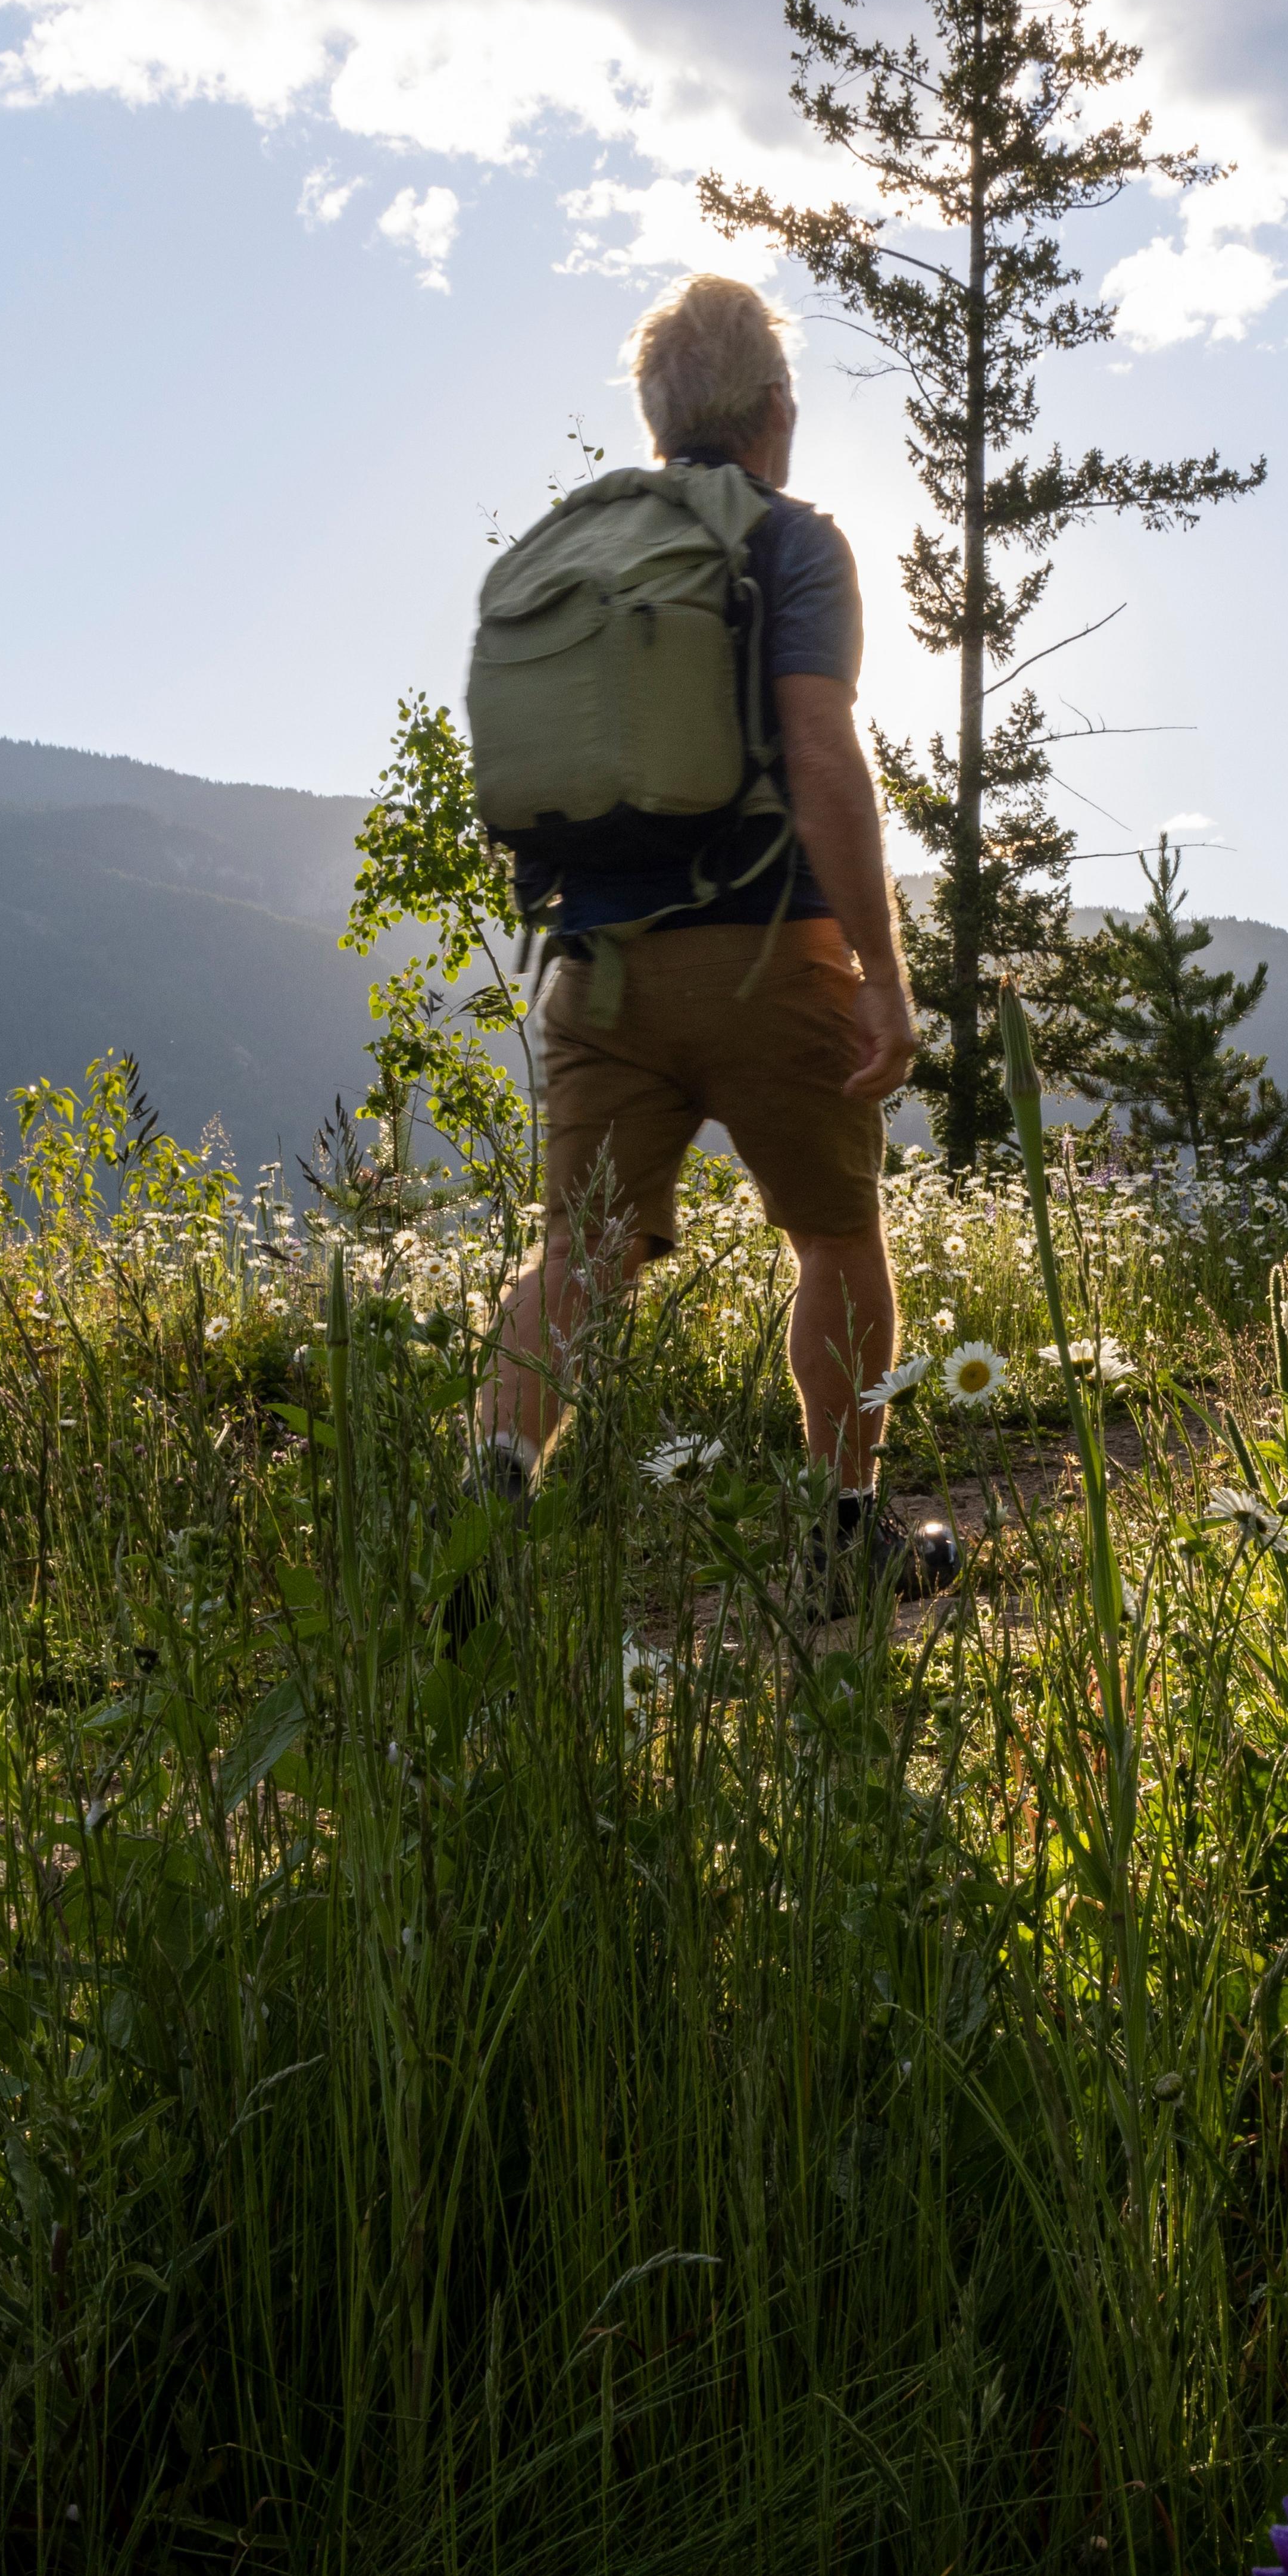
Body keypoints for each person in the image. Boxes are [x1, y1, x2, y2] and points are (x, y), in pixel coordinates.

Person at [471, 274, 961, 1597]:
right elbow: (821, 751)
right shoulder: (791, 542)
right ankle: (846, 1529)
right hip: (768, 958)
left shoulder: (568, 546)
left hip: (598, 969)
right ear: (778, 410)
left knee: (578, 1253)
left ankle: (481, 1531)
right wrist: (881, 972)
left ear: (655, 415)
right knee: (837, 1235)